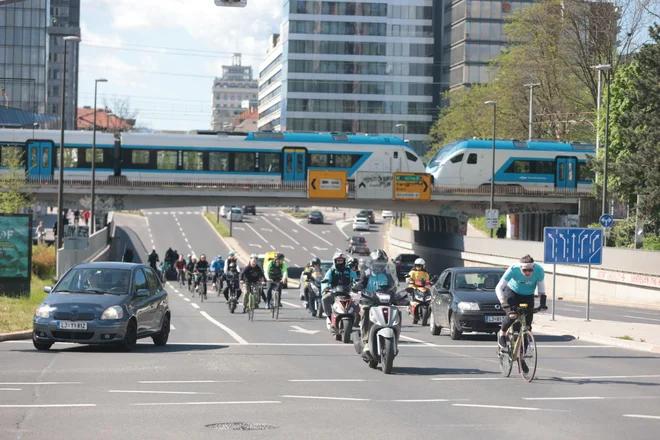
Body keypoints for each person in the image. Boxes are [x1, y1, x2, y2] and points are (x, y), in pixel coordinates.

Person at [496, 255, 548, 350]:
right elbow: (499, 287)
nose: (528, 273)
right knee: (512, 315)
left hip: (528, 295)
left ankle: (521, 356)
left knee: (527, 326)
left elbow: (541, 289)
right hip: (512, 292)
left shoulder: (539, 270)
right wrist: (503, 302)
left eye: (530, 270)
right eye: (525, 270)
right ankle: (502, 333)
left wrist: (543, 304)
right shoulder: (513, 269)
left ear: (533, 267)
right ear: (520, 267)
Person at [356, 249, 397, 354]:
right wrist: (358, 290)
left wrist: (394, 293)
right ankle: (365, 341)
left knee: (397, 312)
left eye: (382, 263)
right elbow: (361, 285)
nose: (380, 265)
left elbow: (393, 286)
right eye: (377, 263)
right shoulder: (367, 273)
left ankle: (395, 341)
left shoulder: (388, 273)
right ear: (372, 263)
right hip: (369, 301)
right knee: (365, 311)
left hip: (384, 302)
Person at [321, 251, 357, 324]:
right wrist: (326, 288)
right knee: (324, 299)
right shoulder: (331, 271)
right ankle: (330, 317)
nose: (340, 262)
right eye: (338, 261)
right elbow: (325, 280)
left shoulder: (349, 270)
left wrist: (357, 285)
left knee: (358, 302)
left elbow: (356, 279)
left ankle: (356, 320)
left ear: (344, 261)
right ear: (335, 261)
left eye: (341, 260)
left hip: (348, 293)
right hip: (334, 293)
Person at [405, 258, 430, 324]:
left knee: (429, 296)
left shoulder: (425, 273)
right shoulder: (412, 272)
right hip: (413, 287)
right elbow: (408, 278)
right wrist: (409, 280)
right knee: (410, 295)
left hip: (422, 288)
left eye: (419, 265)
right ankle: (409, 306)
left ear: (423, 266)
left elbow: (427, 281)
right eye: (417, 265)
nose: (418, 267)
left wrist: (430, 282)